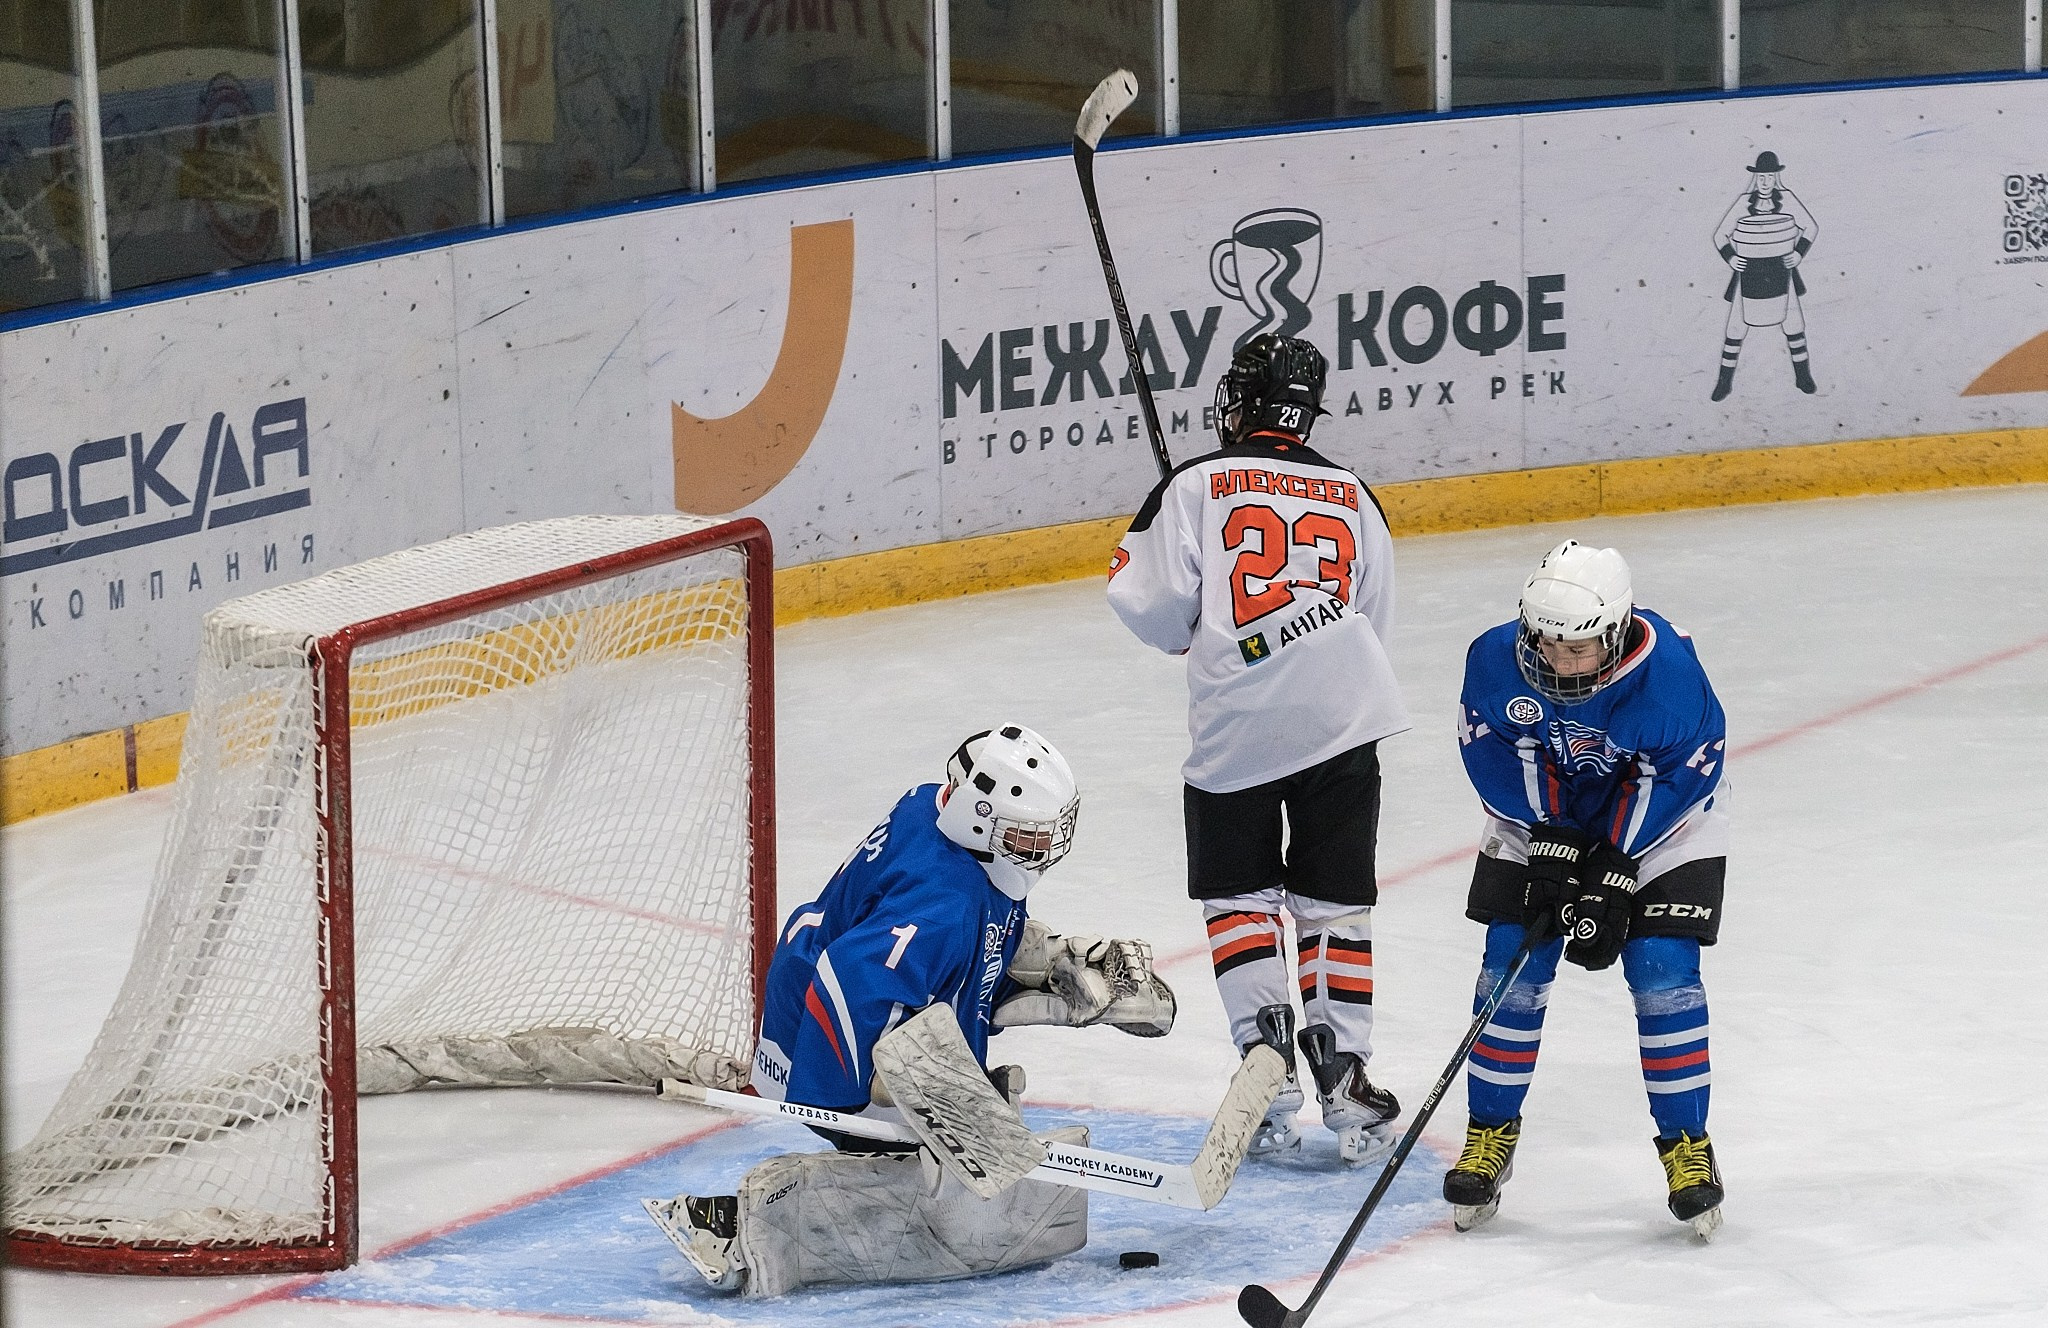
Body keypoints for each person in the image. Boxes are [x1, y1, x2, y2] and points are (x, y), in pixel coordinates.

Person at [647, 724, 1176, 1297]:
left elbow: (922, 932)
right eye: (1028, 836)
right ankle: (757, 1225)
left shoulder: (934, 808)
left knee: (975, 1136)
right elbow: (846, 980)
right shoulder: (943, 904)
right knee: (946, 1172)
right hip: (820, 1047)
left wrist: (1035, 961)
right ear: (979, 820)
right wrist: (882, 1086)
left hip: (813, 983)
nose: (1044, 850)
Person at [1106, 333, 1410, 1164]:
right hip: (1344, 721)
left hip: (1236, 729)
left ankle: (1267, 1062)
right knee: (1334, 902)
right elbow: (1369, 619)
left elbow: (1146, 605)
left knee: (1240, 897)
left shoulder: (1196, 482)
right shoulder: (1354, 494)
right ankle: (1344, 1071)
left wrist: (1200, 629)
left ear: (1243, 398)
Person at [1445, 539, 1729, 1237]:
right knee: (1512, 961)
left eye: (1579, 650)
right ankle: (1490, 1134)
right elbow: (1498, 754)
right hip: (1538, 822)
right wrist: (1549, 840)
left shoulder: (1668, 681)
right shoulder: (1493, 660)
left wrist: (1612, 868)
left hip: (1662, 828)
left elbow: (1676, 778)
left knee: (1663, 971)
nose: (1560, 663)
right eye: (1548, 644)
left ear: (1617, 629)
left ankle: (1687, 1148)